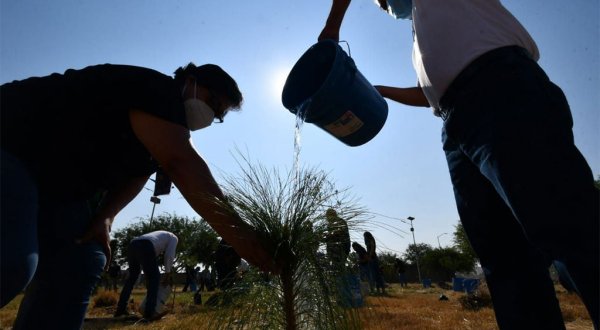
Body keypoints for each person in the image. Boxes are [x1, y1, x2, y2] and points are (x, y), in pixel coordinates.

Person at [319, 1, 599, 328]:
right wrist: (378, 91)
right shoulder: (422, 31)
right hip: (454, 120)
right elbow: (432, 93)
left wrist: (332, 28)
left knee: (565, 225)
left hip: (501, 86)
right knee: (507, 264)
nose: (380, 3)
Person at [1, 62, 280, 328]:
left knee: (82, 259)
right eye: (214, 103)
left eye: (219, 115)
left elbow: (137, 175)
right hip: (12, 145)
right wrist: (244, 240)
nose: (212, 116)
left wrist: (107, 216)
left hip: (57, 189)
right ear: (191, 82)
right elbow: (181, 163)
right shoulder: (157, 91)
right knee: (12, 259)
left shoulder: (156, 137)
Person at [114, 230, 178, 319]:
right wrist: (167, 273)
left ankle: (120, 309)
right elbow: (169, 256)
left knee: (132, 278)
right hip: (146, 246)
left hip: (133, 245)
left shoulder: (161, 236)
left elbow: (147, 262)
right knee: (155, 278)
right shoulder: (174, 238)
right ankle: (150, 312)